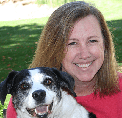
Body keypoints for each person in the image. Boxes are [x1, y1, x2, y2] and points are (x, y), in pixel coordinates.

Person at [6, 1, 122, 118]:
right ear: (54, 49)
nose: (84, 54)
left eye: (92, 41)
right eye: (72, 43)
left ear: (105, 45)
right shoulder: (27, 103)